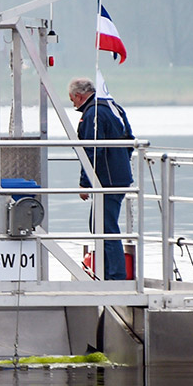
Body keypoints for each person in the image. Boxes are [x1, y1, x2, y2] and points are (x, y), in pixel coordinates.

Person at [68, 76, 134, 280]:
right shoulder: (115, 108)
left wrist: (85, 183)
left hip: (107, 180)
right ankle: (106, 271)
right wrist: (122, 163)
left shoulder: (93, 114)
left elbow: (91, 151)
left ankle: (115, 275)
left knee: (105, 227)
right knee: (98, 224)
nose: (73, 104)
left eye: (72, 100)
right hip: (119, 176)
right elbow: (129, 140)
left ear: (79, 96)